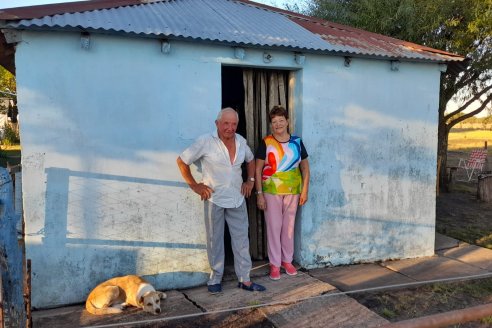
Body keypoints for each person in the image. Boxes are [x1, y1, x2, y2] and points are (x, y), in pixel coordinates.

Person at [176, 107, 266, 294]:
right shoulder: (205, 141)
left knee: (241, 240)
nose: (230, 128)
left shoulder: (241, 142)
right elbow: (182, 161)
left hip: (237, 198)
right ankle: (215, 278)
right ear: (217, 123)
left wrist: (249, 181)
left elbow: (250, 160)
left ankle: (245, 279)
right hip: (214, 198)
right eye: (226, 123)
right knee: (214, 240)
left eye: (234, 124)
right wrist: (195, 186)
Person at [255, 105, 310, 280]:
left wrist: (305, 190)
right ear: (271, 125)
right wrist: (259, 194)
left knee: (288, 227)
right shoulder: (266, 142)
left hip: (293, 191)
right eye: (274, 122)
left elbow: (305, 168)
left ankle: (287, 260)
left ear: (287, 121)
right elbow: (257, 170)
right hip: (271, 191)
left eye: (281, 120)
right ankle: (274, 264)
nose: (278, 124)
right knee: (274, 227)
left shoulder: (297, 142)